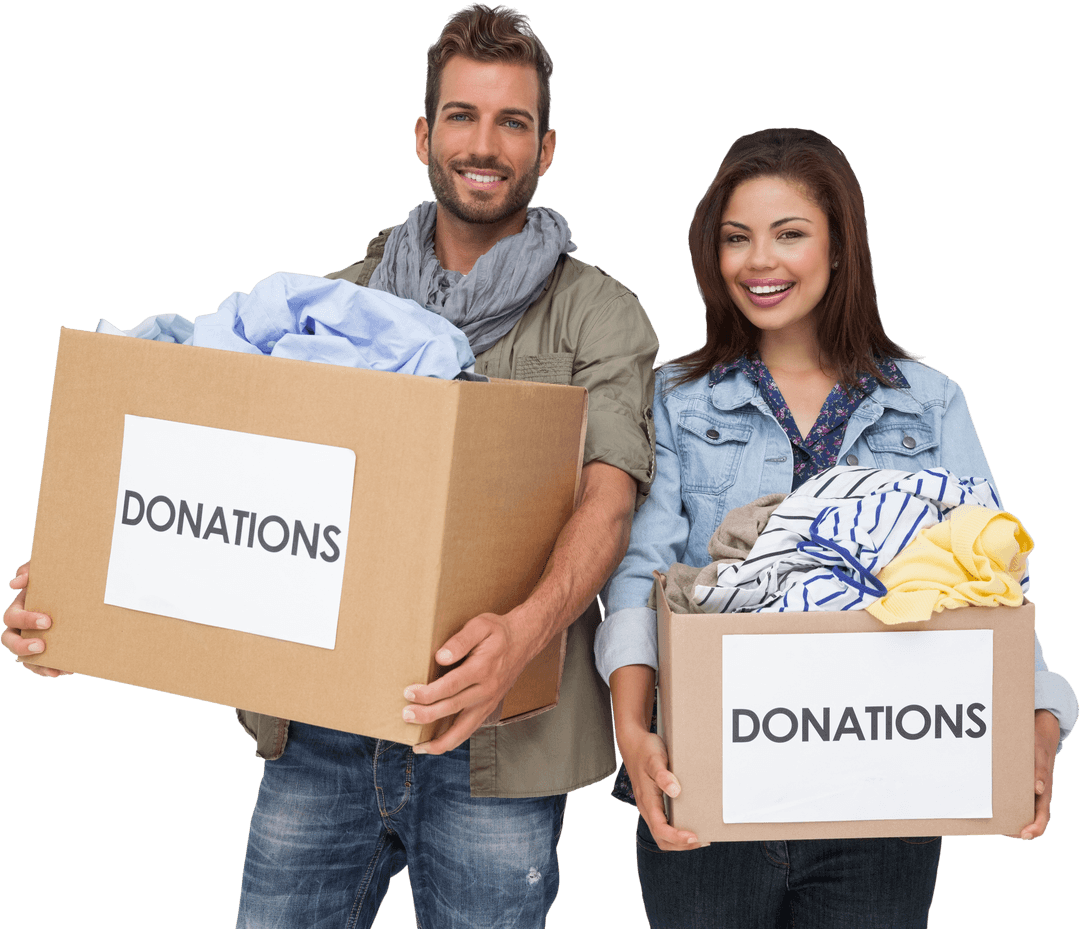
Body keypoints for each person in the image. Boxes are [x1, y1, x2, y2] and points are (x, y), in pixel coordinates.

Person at [1, 5, 658, 928]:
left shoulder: (603, 317)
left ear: (546, 148)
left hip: (494, 743)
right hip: (320, 734)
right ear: (424, 135)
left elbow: (609, 500)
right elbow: (217, 475)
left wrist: (525, 631)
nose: (486, 143)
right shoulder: (330, 306)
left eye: (512, 122)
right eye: (463, 116)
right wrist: (80, 588)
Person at [594, 127, 1078, 928]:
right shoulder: (677, 401)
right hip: (708, 779)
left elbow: (991, 577)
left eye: (790, 234)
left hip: (884, 796)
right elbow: (635, 579)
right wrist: (632, 733)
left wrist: (1040, 718)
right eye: (736, 238)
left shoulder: (929, 402)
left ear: (840, 247)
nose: (760, 262)